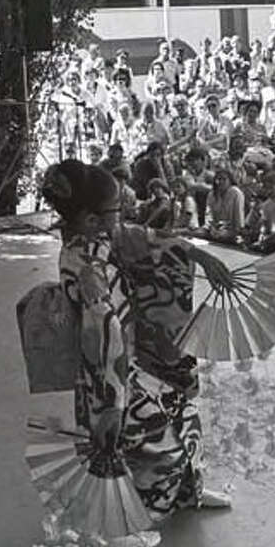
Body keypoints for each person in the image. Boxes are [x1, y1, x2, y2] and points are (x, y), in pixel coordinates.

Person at [42, 160, 233, 520]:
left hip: (141, 356)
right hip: (112, 376)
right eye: (116, 210)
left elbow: (147, 238)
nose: (124, 215)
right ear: (90, 220)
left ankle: (187, 494)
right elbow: (104, 332)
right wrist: (112, 403)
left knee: (184, 417)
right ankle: (140, 516)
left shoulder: (102, 237)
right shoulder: (82, 267)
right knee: (157, 448)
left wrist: (198, 254)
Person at [202, 168, 245, 244]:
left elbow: (238, 218)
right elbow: (208, 214)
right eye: (218, 179)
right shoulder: (211, 194)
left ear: (230, 180)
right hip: (214, 228)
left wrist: (234, 232)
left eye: (224, 179)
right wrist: (212, 228)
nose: (220, 182)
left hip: (231, 230)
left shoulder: (236, 193)